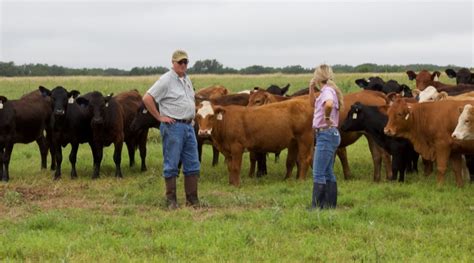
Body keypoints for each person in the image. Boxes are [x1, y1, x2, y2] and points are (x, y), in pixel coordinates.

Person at [142, 50, 200, 209]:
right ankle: (171, 200)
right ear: (173, 63)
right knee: (172, 163)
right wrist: (160, 117)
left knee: (193, 163)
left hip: (189, 126)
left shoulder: (187, 79)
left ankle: (192, 199)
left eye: (185, 62)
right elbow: (147, 98)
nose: (183, 65)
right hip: (173, 127)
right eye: (180, 62)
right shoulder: (166, 80)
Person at [308, 64, 344, 209]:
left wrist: (327, 117)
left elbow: (328, 104)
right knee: (328, 171)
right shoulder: (327, 91)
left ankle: (317, 206)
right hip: (329, 134)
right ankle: (329, 205)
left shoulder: (328, 91)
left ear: (318, 77)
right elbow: (313, 104)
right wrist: (311, 88)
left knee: (318, 173)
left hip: (325, 134)